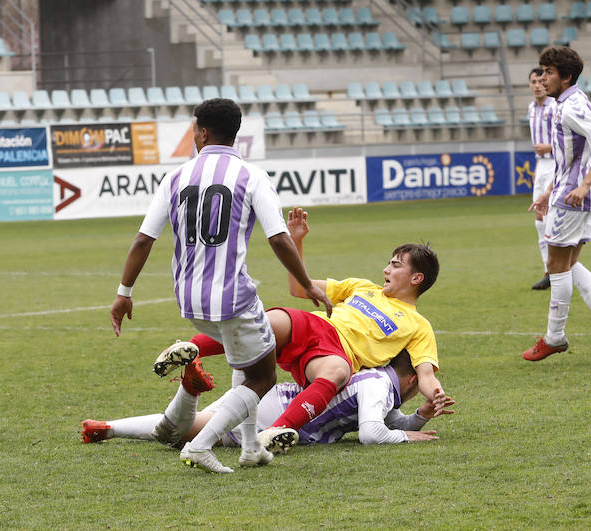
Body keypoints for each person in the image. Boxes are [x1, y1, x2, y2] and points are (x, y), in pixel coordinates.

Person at [109, 98, 333, 473]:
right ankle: (201, 444)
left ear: (203, 132)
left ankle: (250, 448)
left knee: (245, 357)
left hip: (188, 299)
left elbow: (143, 240)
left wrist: (124, 293)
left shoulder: (176, 176)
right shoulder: (251, 175)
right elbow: (278, 238)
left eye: (193, 129)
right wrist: (308, 284)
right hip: (232, 298)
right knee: (263, 376)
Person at [154, 207, 449, 454]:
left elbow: (425, 375)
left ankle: (278, 430)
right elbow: (299, 288)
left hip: (334, 354)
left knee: (337, 372)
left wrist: (435, 396)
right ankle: (188, 348)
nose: (386, 269)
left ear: (416, 278)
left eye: (395, 266)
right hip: (313, 326)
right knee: (263, 324)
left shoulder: (418, 325)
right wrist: (296, 240)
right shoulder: (362, 287)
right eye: (388, 263)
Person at [82, 350, 455, 447]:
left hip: (277, 400)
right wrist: (407, 437)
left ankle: (108, 428)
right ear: (411, 378)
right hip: (274, 412)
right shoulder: (378, 385)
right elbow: (373, 433)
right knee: (178, 435)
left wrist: (418, 419)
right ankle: (188, 389)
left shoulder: (379, 384)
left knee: (181, 431)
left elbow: (386, 422)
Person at [524, 46, 591, 361]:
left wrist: (582, 184)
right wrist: (547, 191)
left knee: (556, 267)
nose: (543, 78)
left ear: (565, 77)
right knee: (569, 264)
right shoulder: (574, 101)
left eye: (549, 72)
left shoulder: (569, 108)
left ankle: (554, 337)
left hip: (572, 198)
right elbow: (572, 158)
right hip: (574, 194)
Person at [527, 68, 558, 290]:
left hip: (555, 162)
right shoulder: (531, 108)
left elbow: (565, 139)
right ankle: (549, 271)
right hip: (541, 164)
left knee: (549, 219)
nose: (537, 85)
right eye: (533, 81)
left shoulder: (554, 107)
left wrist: (549, 147)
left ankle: (559, 269)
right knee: (539, 221)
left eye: (540, 80)